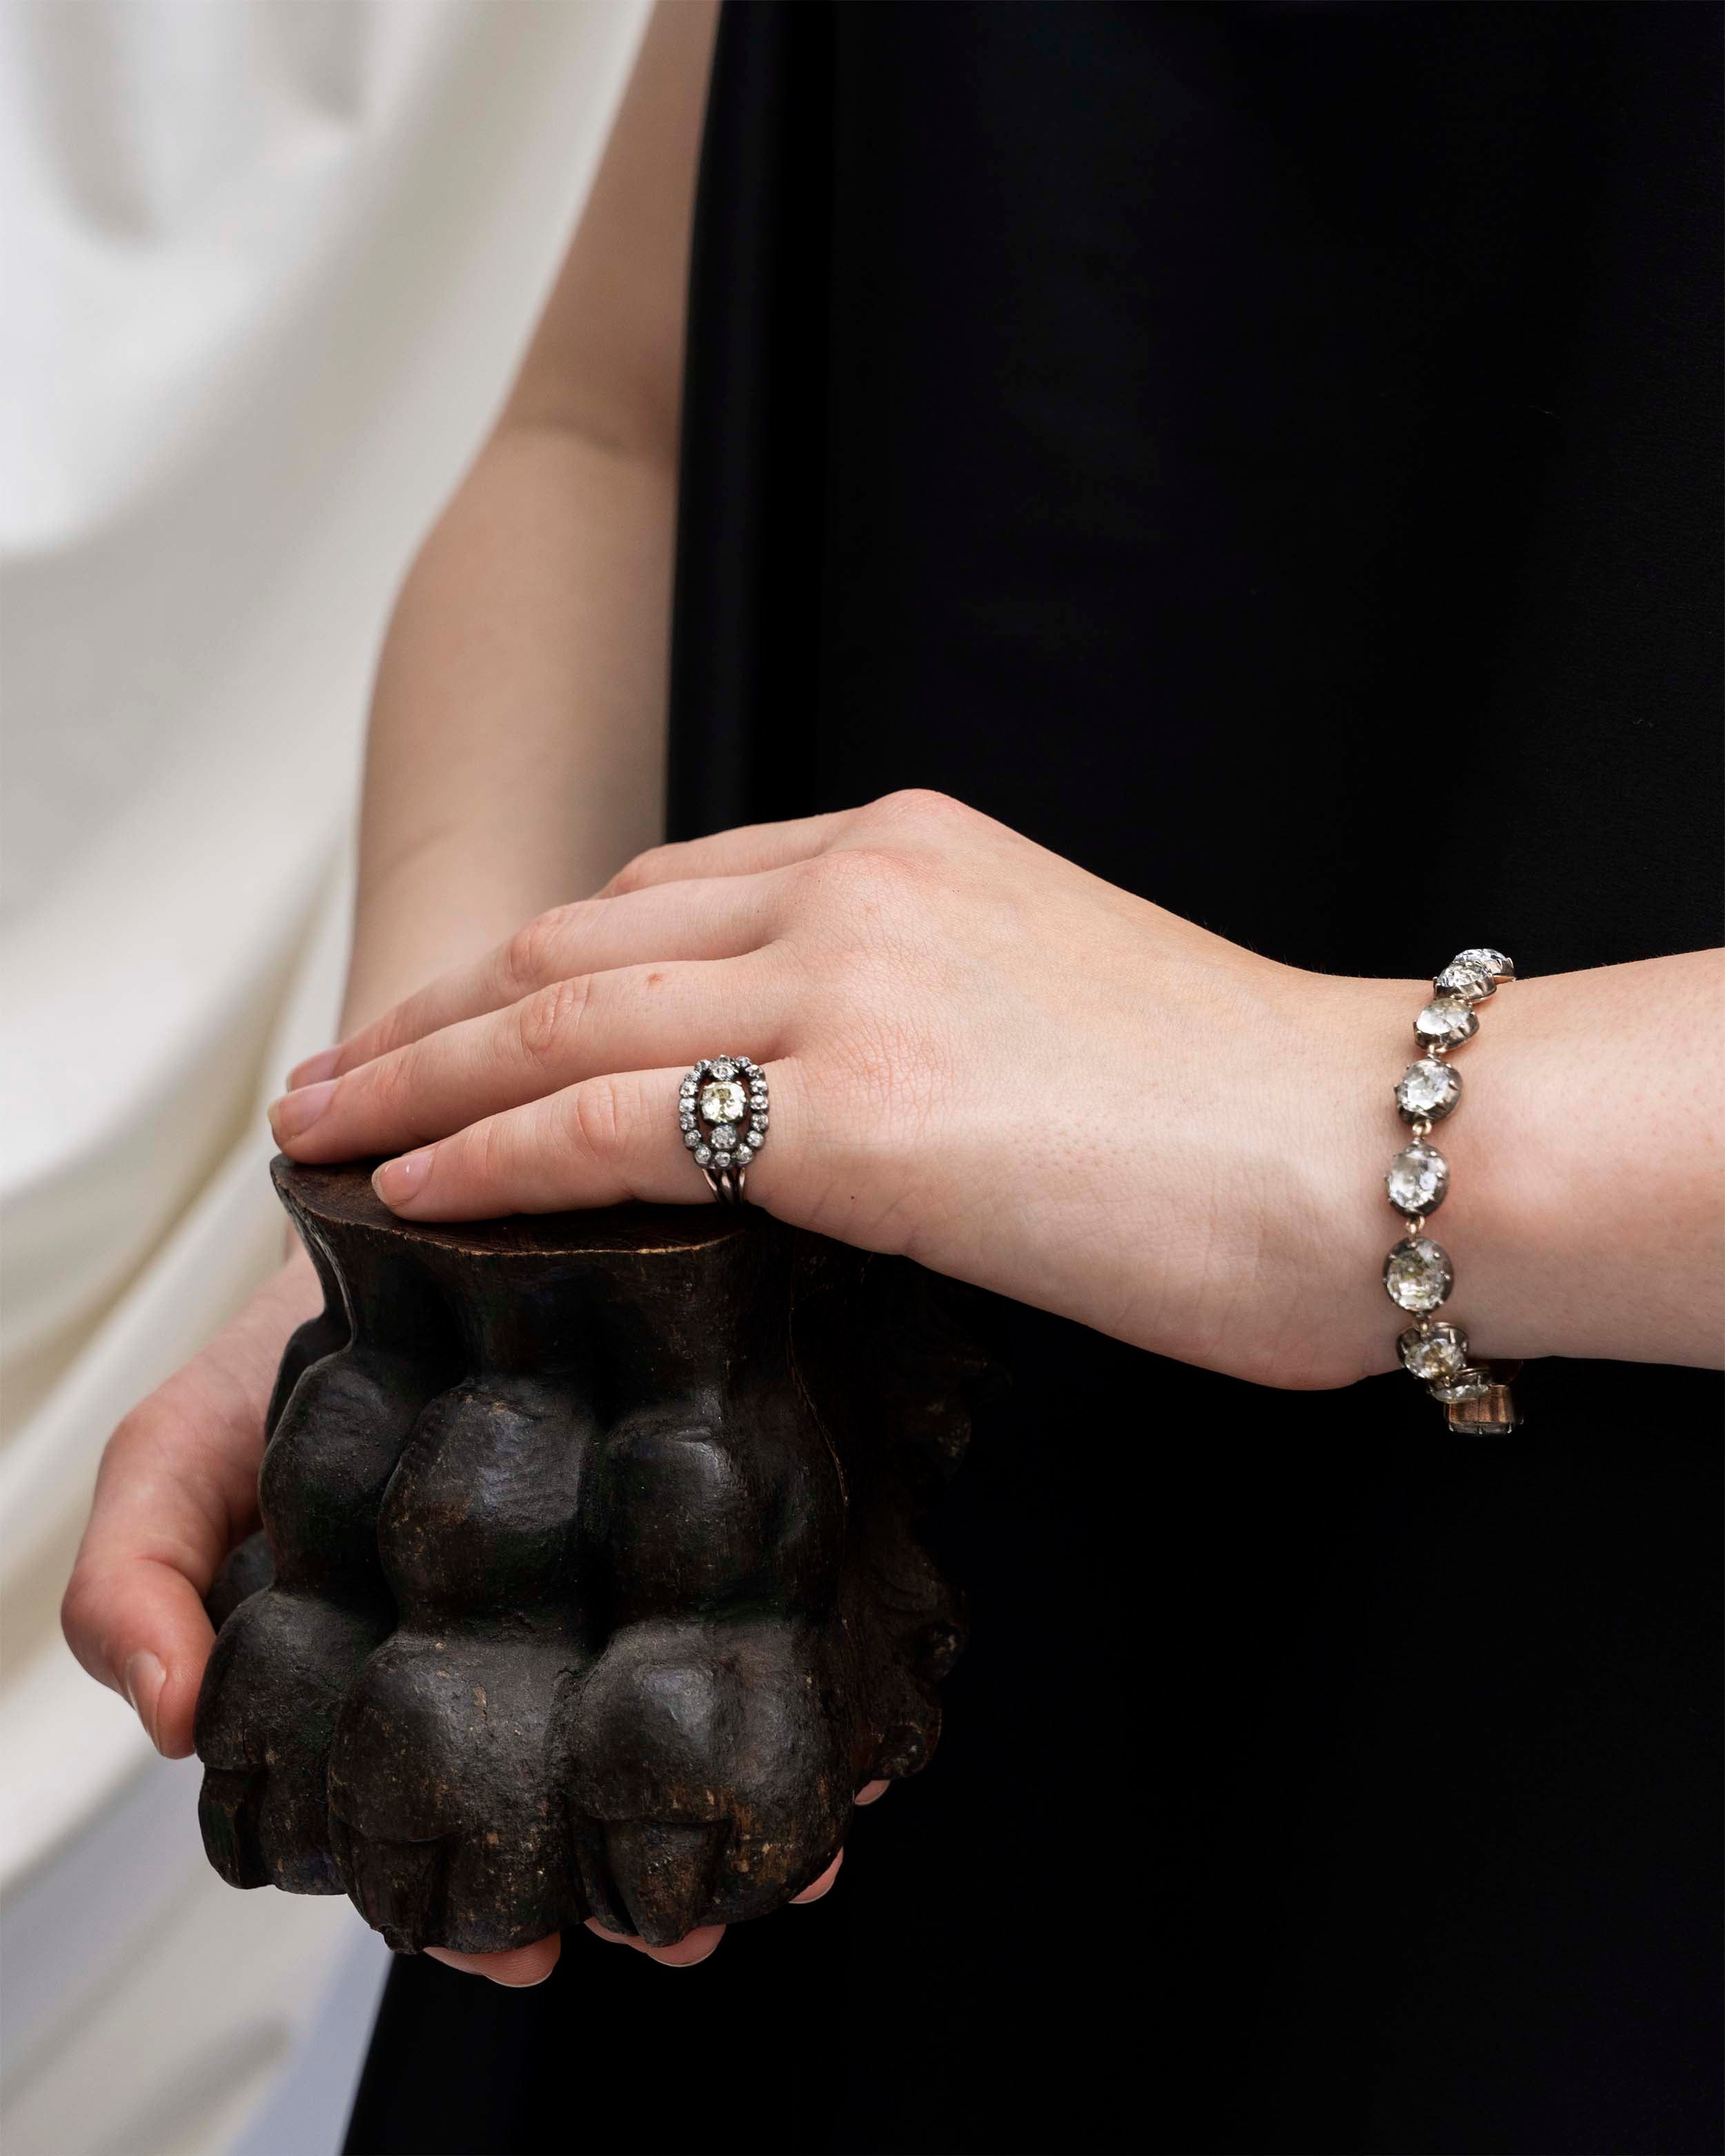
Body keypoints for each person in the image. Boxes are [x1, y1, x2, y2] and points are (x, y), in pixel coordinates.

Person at [63, 4, 1722, 2150]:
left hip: (1589, 1746)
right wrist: (463, 1209)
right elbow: (622, 419)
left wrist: (1361, 1131)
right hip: (752, 1600)